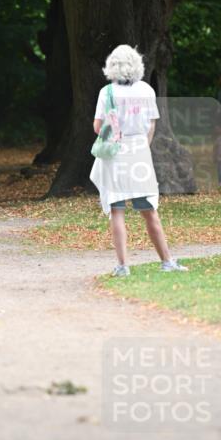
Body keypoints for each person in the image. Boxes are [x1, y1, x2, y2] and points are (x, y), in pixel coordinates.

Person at [90, 44, 188, 277]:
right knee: (149, 210)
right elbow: (152, 124)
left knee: (117, 210)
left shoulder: (107, 93)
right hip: (139, 153)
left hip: (115, 154)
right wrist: (142, 145)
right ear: (137, 64)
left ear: (112, 66)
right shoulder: (146, 90)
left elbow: (97, 126)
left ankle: (123, 266)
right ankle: (167, 260)